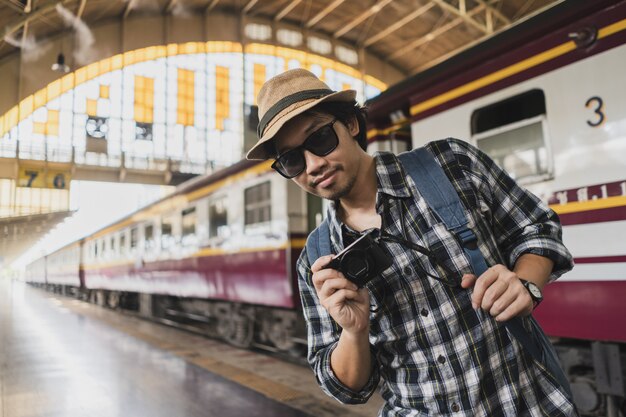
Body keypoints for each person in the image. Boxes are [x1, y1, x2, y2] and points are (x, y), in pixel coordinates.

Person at [246, 68, 577, 416]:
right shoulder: (317, 260)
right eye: (292, 160)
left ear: (352, 125)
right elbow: (346, 389)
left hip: (525, 403)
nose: (313, 165)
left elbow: (537, 226)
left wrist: (525, 283)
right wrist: (353, 331)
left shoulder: (451, 165)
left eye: (320, 139)